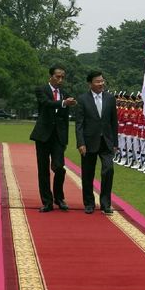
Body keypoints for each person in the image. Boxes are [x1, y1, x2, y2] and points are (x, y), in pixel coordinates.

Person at [30, 64, 77, 213]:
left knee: (59, 168)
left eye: (62, 77)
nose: (60, 79)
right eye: (58, 76)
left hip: (58, 137)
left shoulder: (65, 93)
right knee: (43, 170)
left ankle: (59, 197)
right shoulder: (41, 90)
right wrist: (63, 103)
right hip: (43, 135)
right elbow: (46, 104)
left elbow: (64, 118)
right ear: (50, 76)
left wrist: (65, 138)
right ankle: (47, 202)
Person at [75, 70, 118, 215]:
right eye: (98, 81)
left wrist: (115, 142)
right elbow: (79, 124)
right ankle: (89, 203)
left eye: (102, 81)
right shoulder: (82, 99)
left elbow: (114, 122)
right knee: (88, 174)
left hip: (106, 142)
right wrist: (80, 143)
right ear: (90, 84)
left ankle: (106, 203)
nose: (101, 83)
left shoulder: (110, 98)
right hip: (88, 142)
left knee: (108, 170)